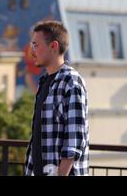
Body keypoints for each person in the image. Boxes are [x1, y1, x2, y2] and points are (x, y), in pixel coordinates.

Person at [25, 21, 89, 176]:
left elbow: (74, 138)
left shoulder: (71, 81)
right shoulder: (44, 81)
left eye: (36, 45)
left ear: (53, 46)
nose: (32, 51)